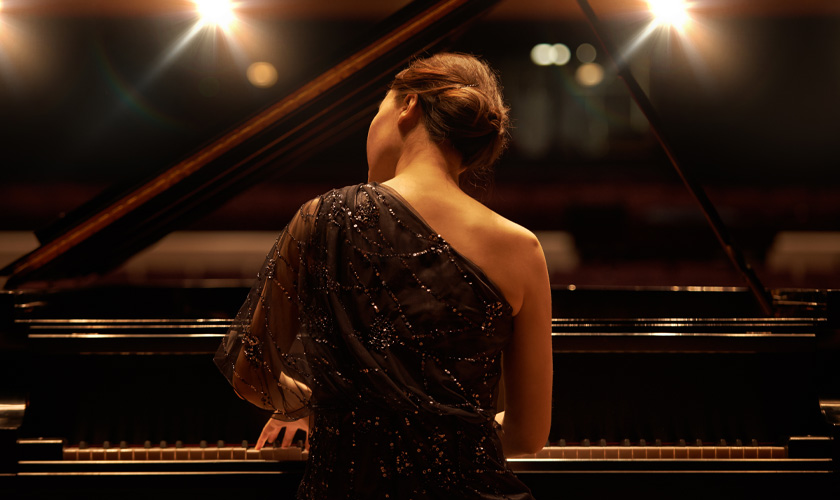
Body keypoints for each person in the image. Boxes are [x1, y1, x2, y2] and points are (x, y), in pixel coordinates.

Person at [215, 52, 552, 499]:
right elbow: (528, 436)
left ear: (408, 106)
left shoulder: (321, 217)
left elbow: (252, 374)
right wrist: (447, 434)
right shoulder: (521, 248)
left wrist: (323, 409)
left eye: (378, 110)